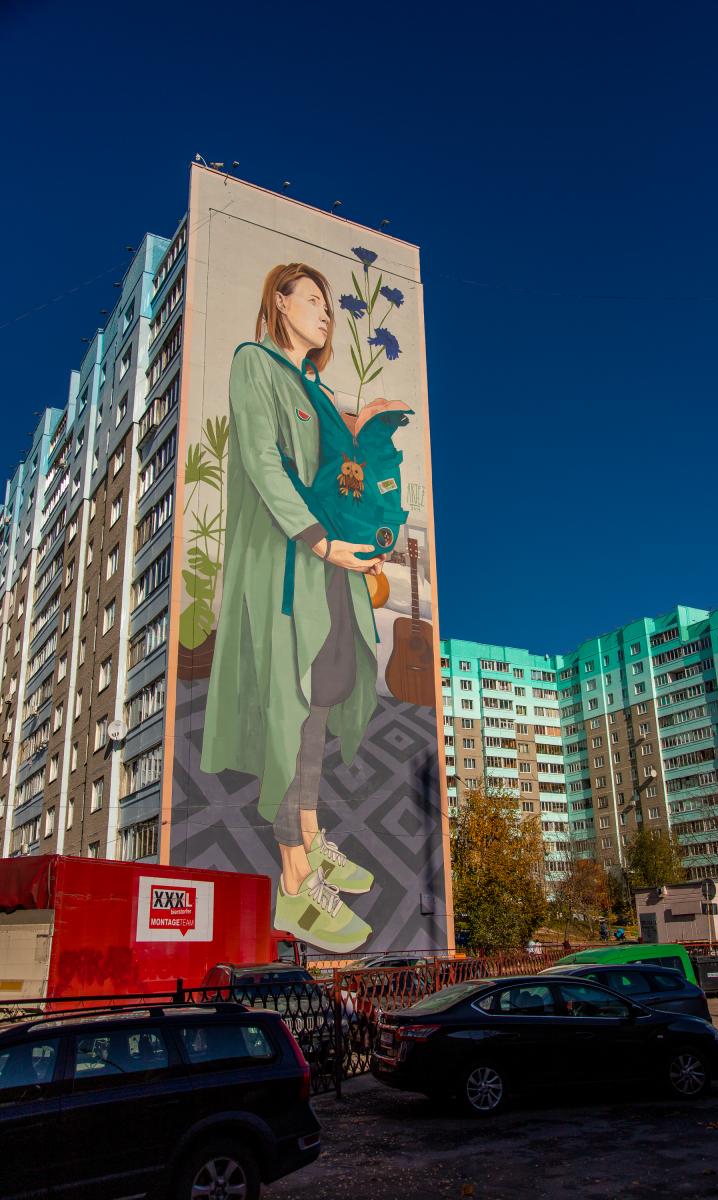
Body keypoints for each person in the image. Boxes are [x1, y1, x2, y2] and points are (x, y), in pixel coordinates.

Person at [201, 263, 404, 953]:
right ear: (279, 304)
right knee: (291, 708)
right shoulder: (254, 364)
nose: (324, 313)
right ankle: (293, 885)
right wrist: (319, 539)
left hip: (329, 566)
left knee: (322, 694)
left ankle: (311, 837)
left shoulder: (316, 391)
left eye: (328, 304)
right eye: (311, 299)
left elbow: (338, 479)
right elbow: (264, 462)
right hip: (287, 563)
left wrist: (365, 526)